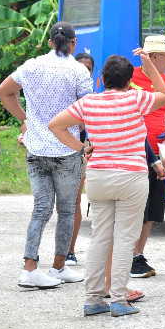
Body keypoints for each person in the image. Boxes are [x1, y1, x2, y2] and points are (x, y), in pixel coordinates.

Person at [48, 53, 165, 317]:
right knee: (125, 239)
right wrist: (149, 67)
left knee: (100, 237)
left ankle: (93, 299)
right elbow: (163, 95)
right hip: (132, 177)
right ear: (130, 82)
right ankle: (118, 299)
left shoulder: (89, 103)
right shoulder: (136, 98)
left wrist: (82, 148)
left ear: (102, 79)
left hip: (99, 176)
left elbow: (55, 125)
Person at [0, 21, 92, 289]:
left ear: (50, 41)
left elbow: (4, 91)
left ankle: (29, 268)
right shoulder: (78, 71)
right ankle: (59, 266)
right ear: (72, 44)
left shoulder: (30, 66)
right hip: (67, 148)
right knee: (65, 210)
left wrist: (25, 119)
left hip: (36, 147)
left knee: (40, 210)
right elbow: (87, 110)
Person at [127, 34, 165, 278]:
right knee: (136, 205)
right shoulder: (131, 79)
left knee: (155, 206)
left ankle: (138, 254)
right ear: (154, 57)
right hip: (135, 150)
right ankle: (128, 255)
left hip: (159, 150)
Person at [66, 52, 95, 266]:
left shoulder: (92, 98)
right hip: (57, 150)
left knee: (74, 201)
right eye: (81, 67)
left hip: (80, 151)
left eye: (88, 68)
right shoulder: (62, 94)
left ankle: (69, 250)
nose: (84, 71)